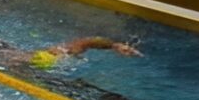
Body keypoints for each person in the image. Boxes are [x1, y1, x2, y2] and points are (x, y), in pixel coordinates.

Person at [9, 37, 143, 70]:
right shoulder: (50, 58)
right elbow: (84, 43)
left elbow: (84, 43)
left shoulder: (47, 58)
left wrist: (115, 45)